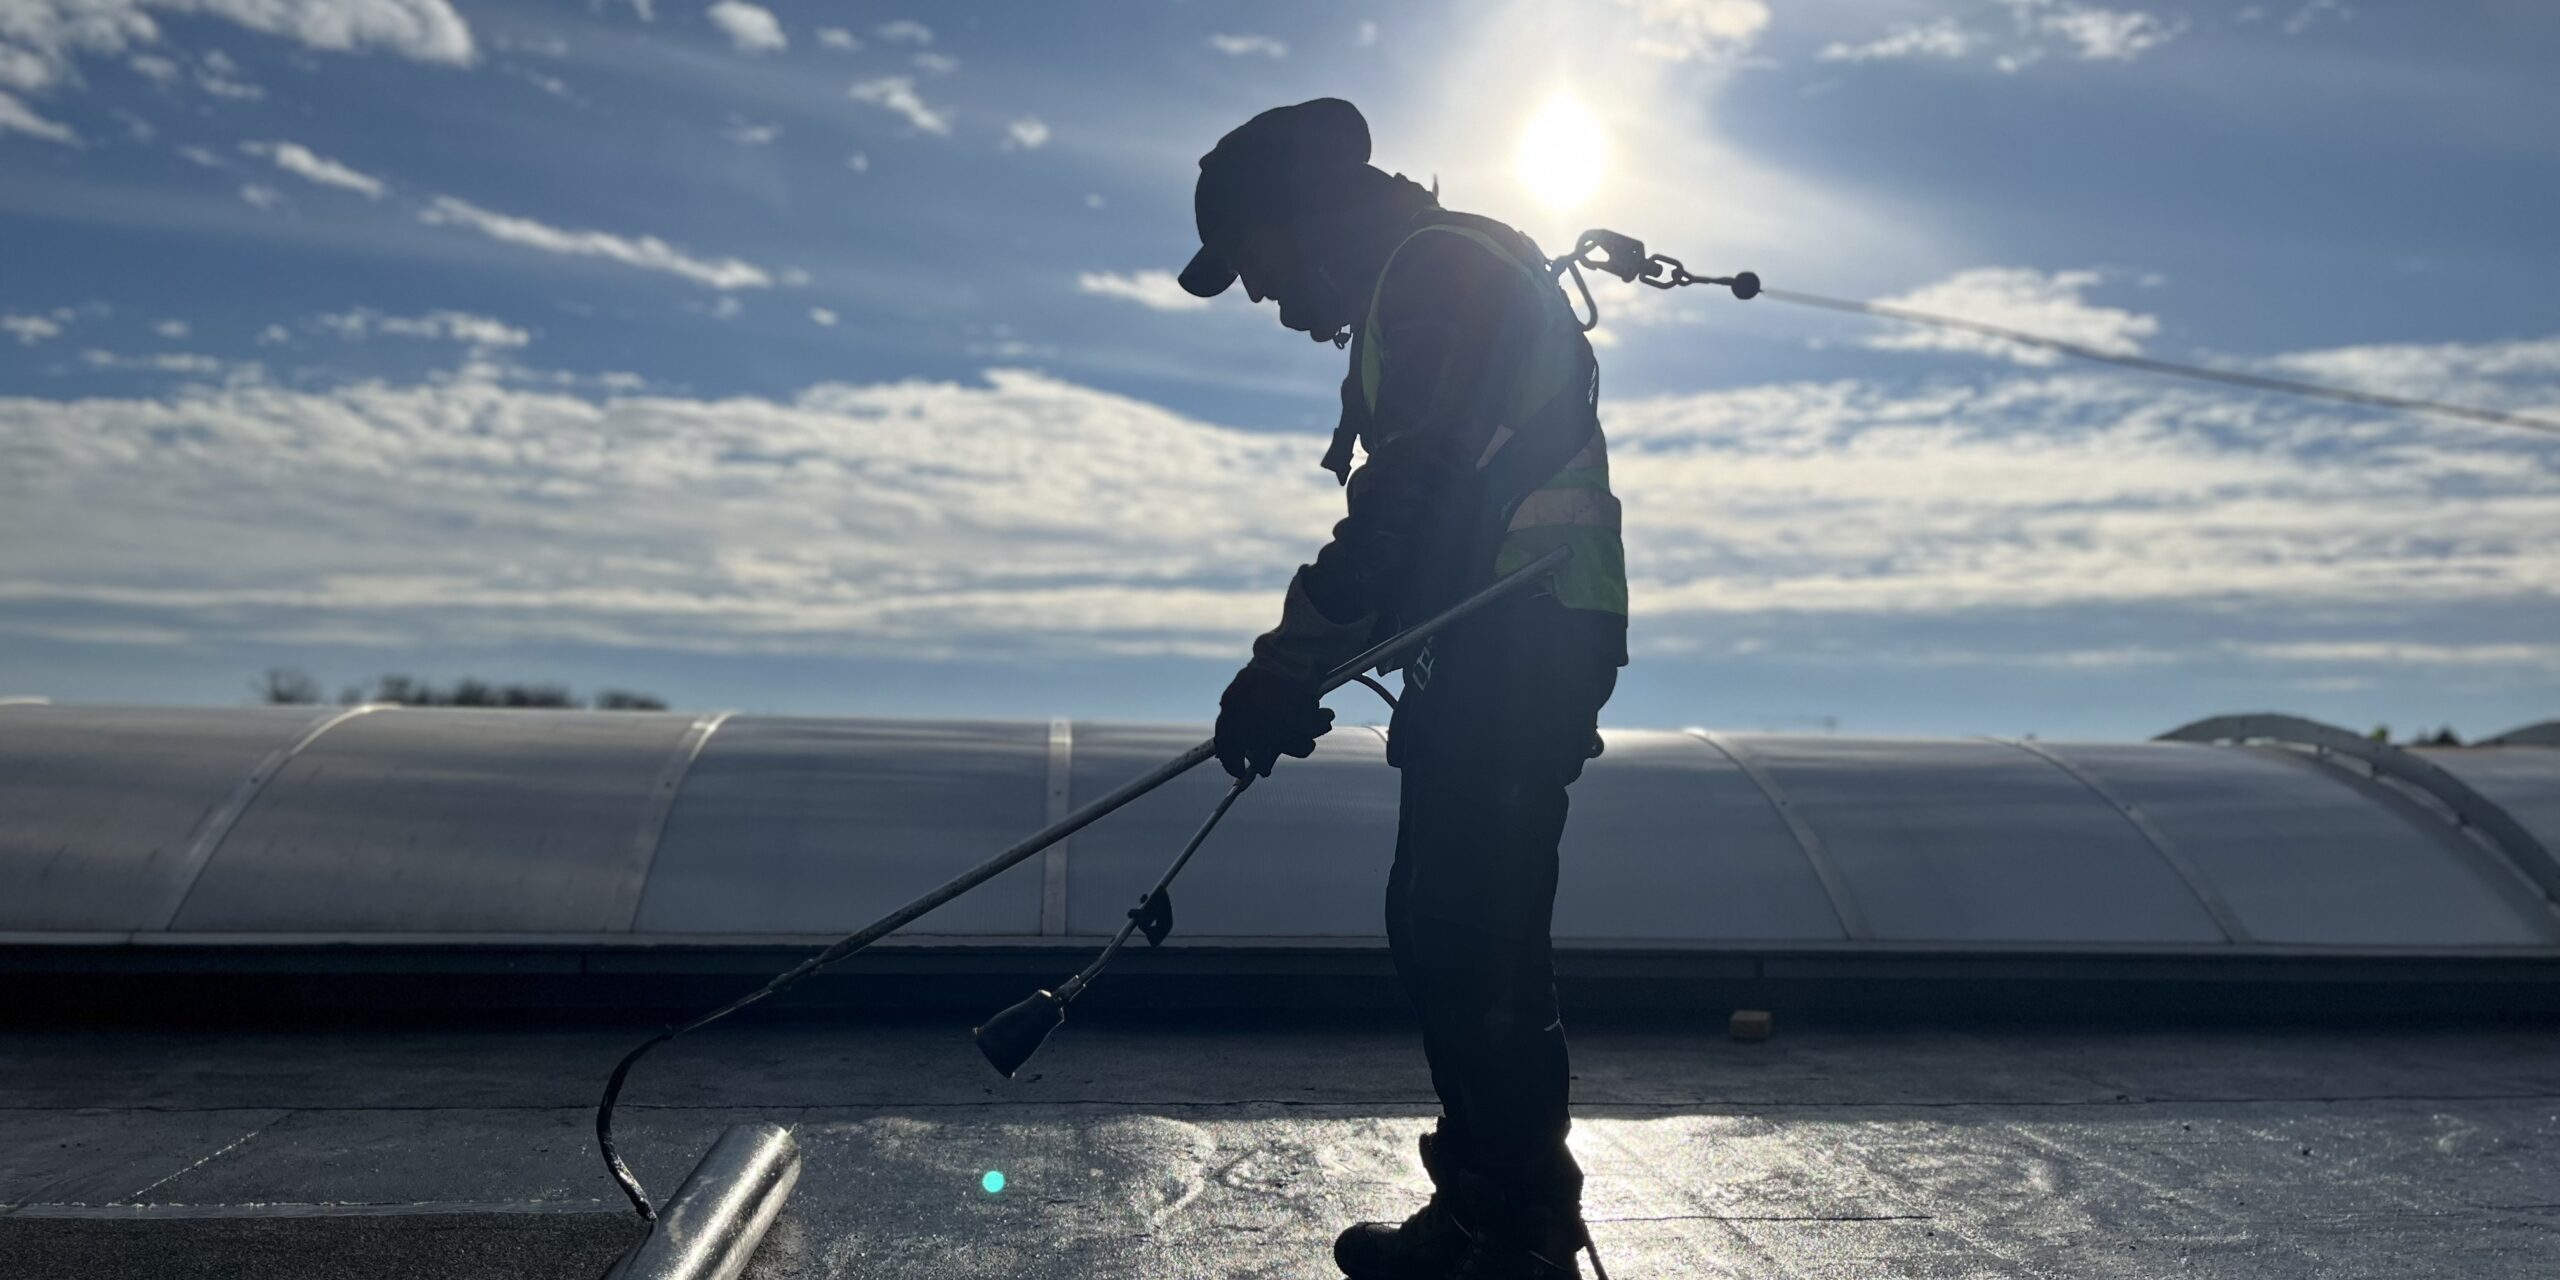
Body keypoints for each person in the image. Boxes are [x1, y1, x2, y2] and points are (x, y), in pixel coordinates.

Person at [1180, 99, 1627, 1280]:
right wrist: (1321, 655)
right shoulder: (1424, 281)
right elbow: (1439, 508)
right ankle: (1490, 1206)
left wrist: (1284, 664)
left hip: (1523, 635)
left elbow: (1417, 489)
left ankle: (1517, 1233)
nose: (1265, 301)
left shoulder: (1436, 274)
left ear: (1303, 216)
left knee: (1471, 928)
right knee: (1440, 925)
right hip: (1495, 637)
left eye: (1256, 265)